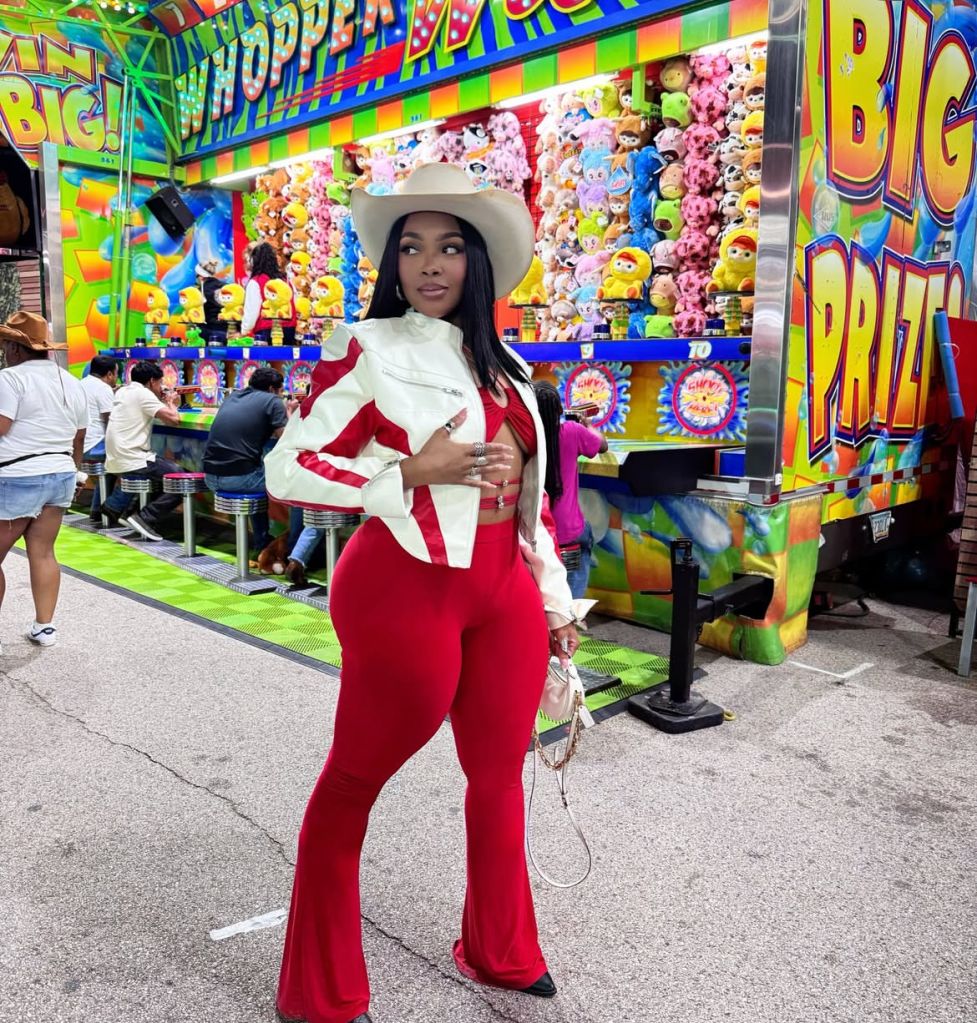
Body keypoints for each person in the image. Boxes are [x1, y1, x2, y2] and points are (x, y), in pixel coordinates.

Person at [265, 162, 582, 1023]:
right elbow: (287, 466)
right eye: (411, 247)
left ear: (478, 261)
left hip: (502, 590)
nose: (429, 263)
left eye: (449, 246)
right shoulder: (367, 347)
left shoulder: (510, 367)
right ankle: (318, 988)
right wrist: (407, 471)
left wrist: (554, 601)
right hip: (404, 586)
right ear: (392, 263)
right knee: (354, 777)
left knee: (498, 775)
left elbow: (530, 505)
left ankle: (500, 949)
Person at [0, 311, 88, 650]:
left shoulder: (10, 378)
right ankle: (44, 627)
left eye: (6, 344)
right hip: (61, 474)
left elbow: (2, 427)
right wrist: (76, 472)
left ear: (16, 348)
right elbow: (79, 437)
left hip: (17, 477)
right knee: (44, 552)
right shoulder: (71, 381)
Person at [202, 367, 294, 556]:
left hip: (210, 477)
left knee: (258, 476)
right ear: (272, 389)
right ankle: (278, 547)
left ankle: (263, 541)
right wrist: (290, 412)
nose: (281, 394)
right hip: (239, 479)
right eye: (281, 390)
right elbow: (287, 438)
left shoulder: (232, 397)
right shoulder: (273, 401)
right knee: (290, 484)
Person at [533, 381, 607, 598]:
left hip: (537, 530)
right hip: (569, 530)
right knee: (572, 598)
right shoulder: (572, 431)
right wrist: (588, 425)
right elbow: (602, 445)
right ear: (559, 410)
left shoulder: (524, 437)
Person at [101, 360, 182, 541]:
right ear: (152, 381)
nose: (161, 387)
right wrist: (171, 402)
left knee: (161, 475)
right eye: (160, 383)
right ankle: (145, 518)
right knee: (180, 479)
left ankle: (128, 513)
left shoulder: (124, 391)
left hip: (116, 456)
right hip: (133, 457)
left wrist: (161, 400)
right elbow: (174, 419)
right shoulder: (143, 394)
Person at [79, 354, 119, 521]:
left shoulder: (80, 384)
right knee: (127, 462)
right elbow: (111, 422)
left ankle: (97, 510)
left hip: (79, 445)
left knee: (112, 465)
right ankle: (114, 508)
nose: (116, 378)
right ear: (109, 374)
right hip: (95, 445)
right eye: (116, 374)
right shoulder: (103, 389)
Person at [240, 242, 296, 343]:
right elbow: (294, 303)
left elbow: (251, 312)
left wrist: (244, 330)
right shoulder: (286, 280)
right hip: (289, 330)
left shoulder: (256, 281)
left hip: (265, 331)